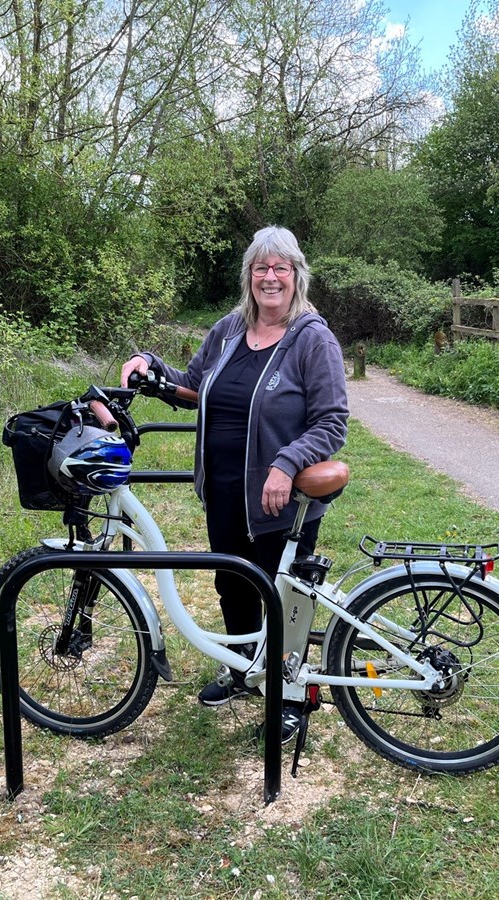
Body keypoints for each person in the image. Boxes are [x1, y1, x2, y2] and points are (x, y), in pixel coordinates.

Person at [120, 225, 349, 742]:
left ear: (296, 276)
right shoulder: (228, 328)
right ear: (249, 276)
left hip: (279, 497)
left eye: (280, 268)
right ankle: (244, 666)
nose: (270, 277)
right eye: (260, 268)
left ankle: (291, 698)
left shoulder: (313, 339)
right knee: (232, 582)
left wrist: (287, 462)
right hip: (224, 488)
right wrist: (150, 366)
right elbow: (195, 385)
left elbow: (332, 422)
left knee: (283, 596)